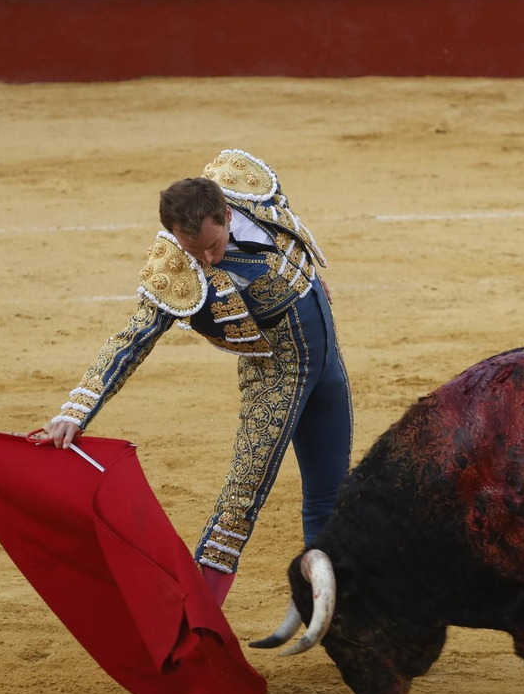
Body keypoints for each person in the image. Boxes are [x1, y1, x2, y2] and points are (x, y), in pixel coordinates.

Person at [40, 149, 353, 606]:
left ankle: (334, 610)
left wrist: (304, 272)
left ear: (226, 214)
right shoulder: (176, 268)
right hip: (276, 377)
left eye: (213, 245)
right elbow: (132, 340)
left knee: (331, 495)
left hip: (328, 368)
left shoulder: (243, 184)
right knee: (239, 502)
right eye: (194, 250)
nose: (207, 259)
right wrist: (76, 410)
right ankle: (195, 620)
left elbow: (286, 216)